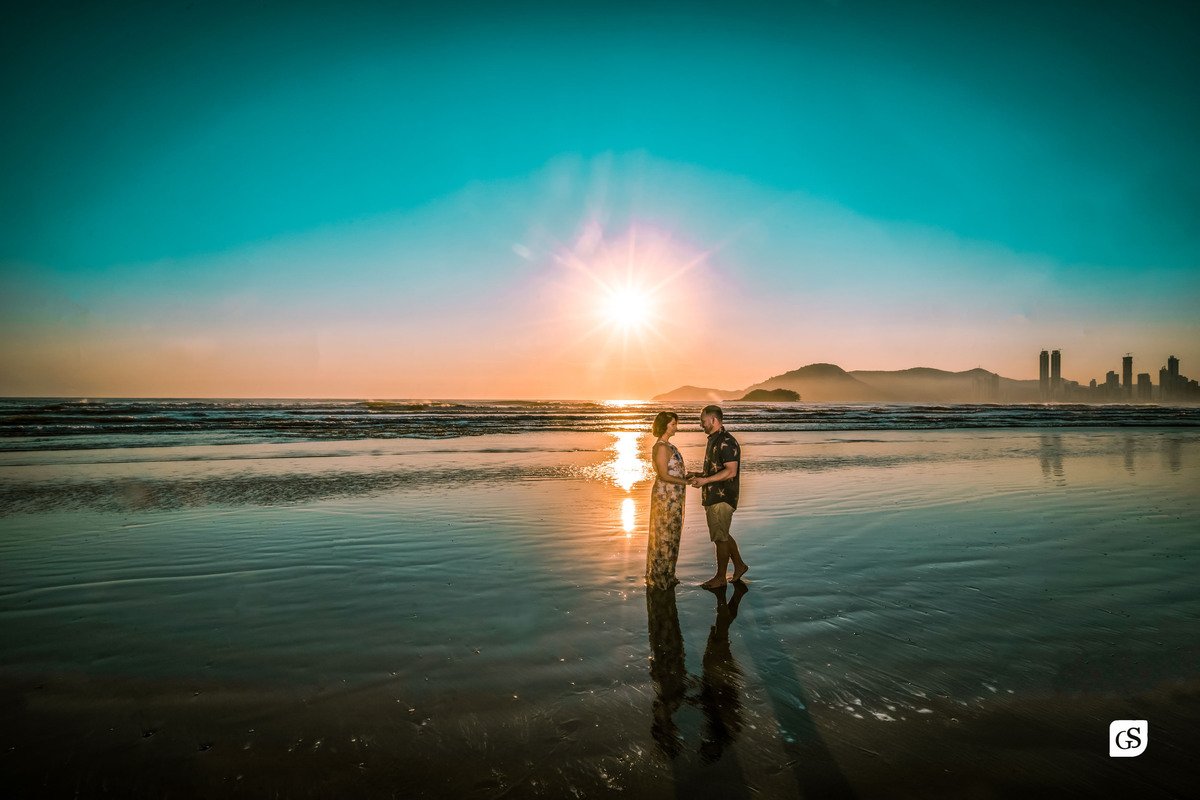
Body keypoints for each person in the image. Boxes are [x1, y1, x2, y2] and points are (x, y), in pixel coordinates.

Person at [690, 405, 749, 588]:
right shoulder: (715, 439)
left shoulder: (726, 441)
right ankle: (739, 566)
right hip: (714, 495)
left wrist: (705, 480)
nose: (701, 424)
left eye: (703, 420)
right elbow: (717, 469)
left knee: (720, 538)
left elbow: (731, 471)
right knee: (721, 534)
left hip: (721, 497)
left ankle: (720, 577)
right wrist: (699, 475)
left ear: (713, 420)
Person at [645, 410, 692, 588]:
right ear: (664, 426)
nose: (675, 427)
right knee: (664, 534)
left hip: (673, 496)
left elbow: (673, 471)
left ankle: (669, 574)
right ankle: (661, 577)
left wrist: (688, 477)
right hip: (666, 497)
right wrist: (686, 482)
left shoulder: (668, 446)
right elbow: (664, 475)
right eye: (673, 424)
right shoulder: (662, 447)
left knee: (672, 533)